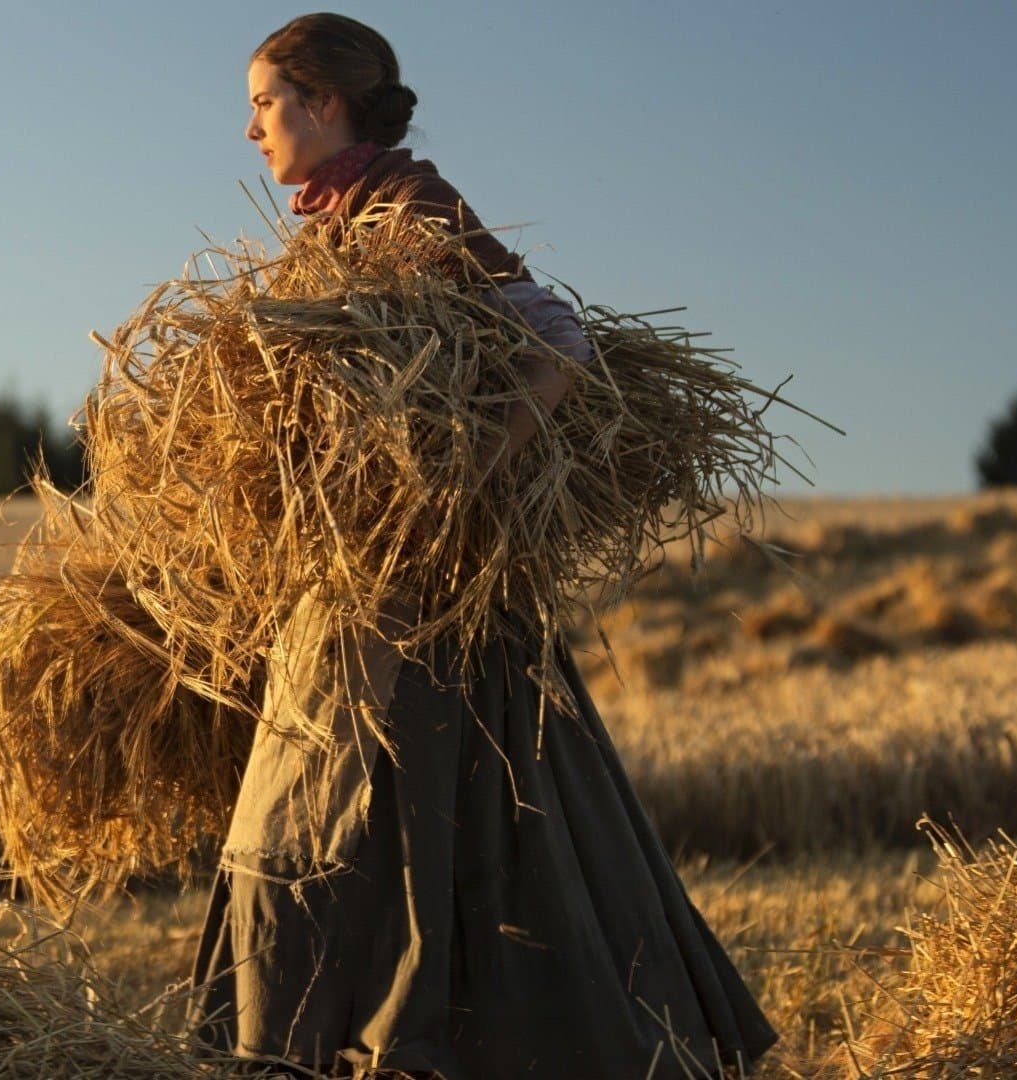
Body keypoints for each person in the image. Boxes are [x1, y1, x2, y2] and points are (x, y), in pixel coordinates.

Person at [185, 14, 781, 1078]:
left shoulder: (408, 209)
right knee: (318, 827)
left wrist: (468, 478)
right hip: (354, 589)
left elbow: (558, 341)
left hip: (432, 609)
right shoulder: (332, 224)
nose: (250, 130)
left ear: (325, 103)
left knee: (433, 831)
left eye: (265, 102)